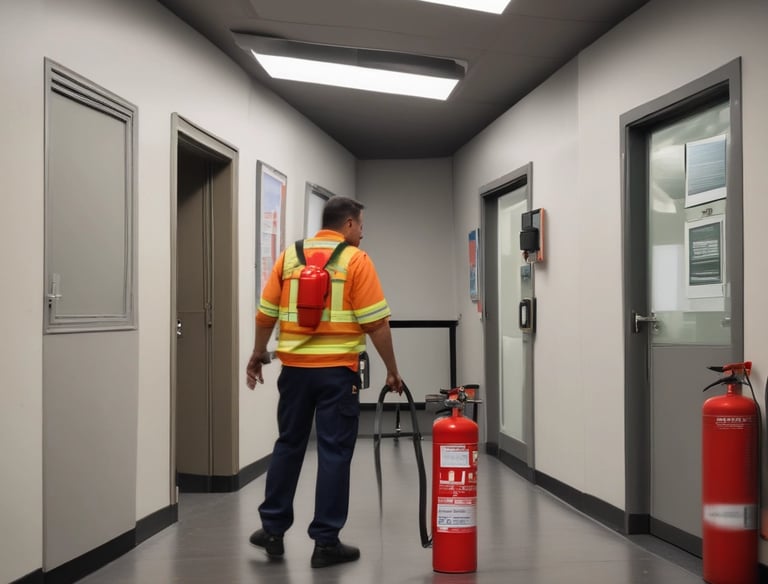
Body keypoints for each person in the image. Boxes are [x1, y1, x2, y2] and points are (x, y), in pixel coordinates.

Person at [246, 196, 403, 569]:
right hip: (337, 375)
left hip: (294, 373)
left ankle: (272, 530)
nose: (362, 233)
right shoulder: (356, 260)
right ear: (348, 224)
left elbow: (265, 313)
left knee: (288, 444)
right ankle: (326, 543)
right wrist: (392, 369)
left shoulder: (289, 257)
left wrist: (257, 353)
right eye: (361, 226)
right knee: (334, 452)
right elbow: (376, 323)